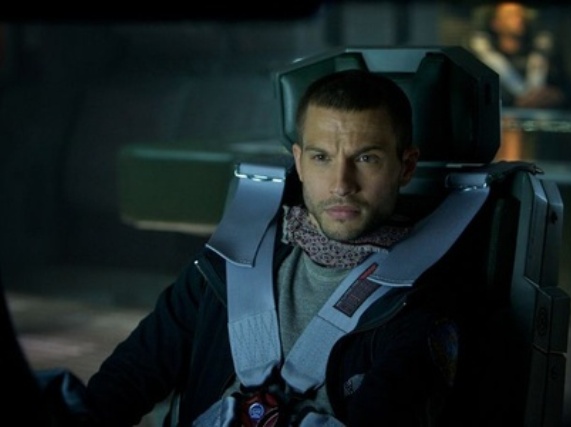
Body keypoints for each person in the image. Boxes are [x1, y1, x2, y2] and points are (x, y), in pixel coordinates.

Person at [83, 69, 461, 426]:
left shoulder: (419, 299)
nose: (341, 184)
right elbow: (130, 375)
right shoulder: (235, 261)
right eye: (321, 158)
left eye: (366, 158)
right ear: (299, 162)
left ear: (406, 166)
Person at [469, 1, 571, 109]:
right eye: (511, 15)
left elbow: (568, 92)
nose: (519, 19)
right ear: (495, 23)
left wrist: (556, 96)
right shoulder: (482, 61)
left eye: (521, 14)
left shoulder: (543, 56)